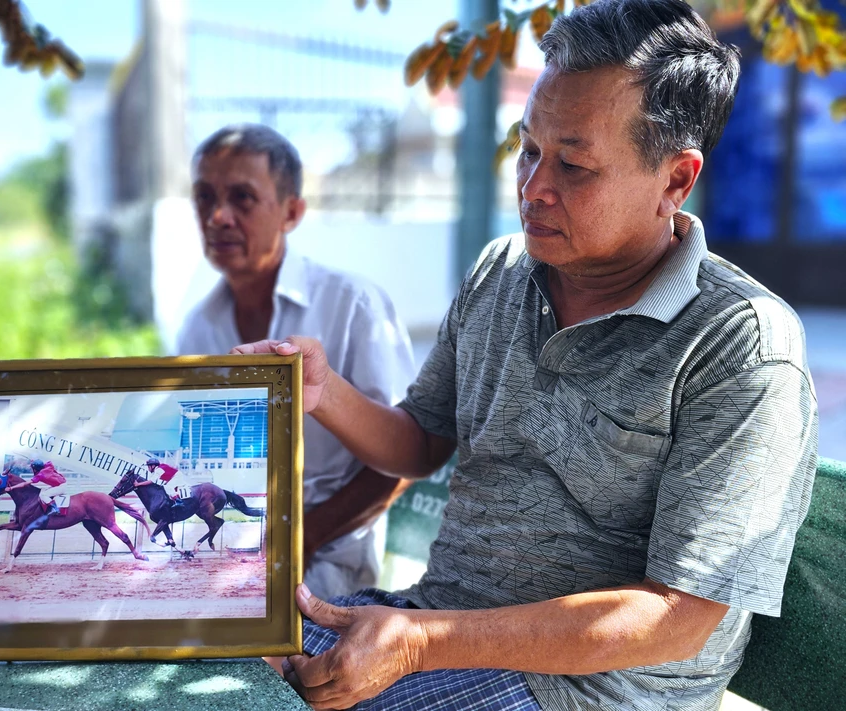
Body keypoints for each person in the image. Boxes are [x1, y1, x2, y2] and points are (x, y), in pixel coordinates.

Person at [233, 1, 819, 708]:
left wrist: (422, 641)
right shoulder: (501, 271)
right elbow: (420, 442)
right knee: (201, 647)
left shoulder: (741, 342)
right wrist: (323, 390)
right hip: (434, 623)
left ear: (675, 180)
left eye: (573, 165)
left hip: (590, 688)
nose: (533, 188)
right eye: (528, 148)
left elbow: (677, 617)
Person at [175, 123, 417, 600]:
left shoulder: (354, 306)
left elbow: (405, 461)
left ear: (292, 212)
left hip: (331, 568)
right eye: (205, 197)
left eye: (242, 198)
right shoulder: (197, 329)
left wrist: (300, 538)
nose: (218, 216)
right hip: (231, 554)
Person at [7, 459, 67, 533]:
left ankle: (55, 508)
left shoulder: (40, 475)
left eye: (33, 468)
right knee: (43, 490)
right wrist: (33, 461)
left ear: (35, 468)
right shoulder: (47, 466)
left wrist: (11, 488)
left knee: (43, 495)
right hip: (61, 484)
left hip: (61, 487)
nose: (32, 469)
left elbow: (24, 484)